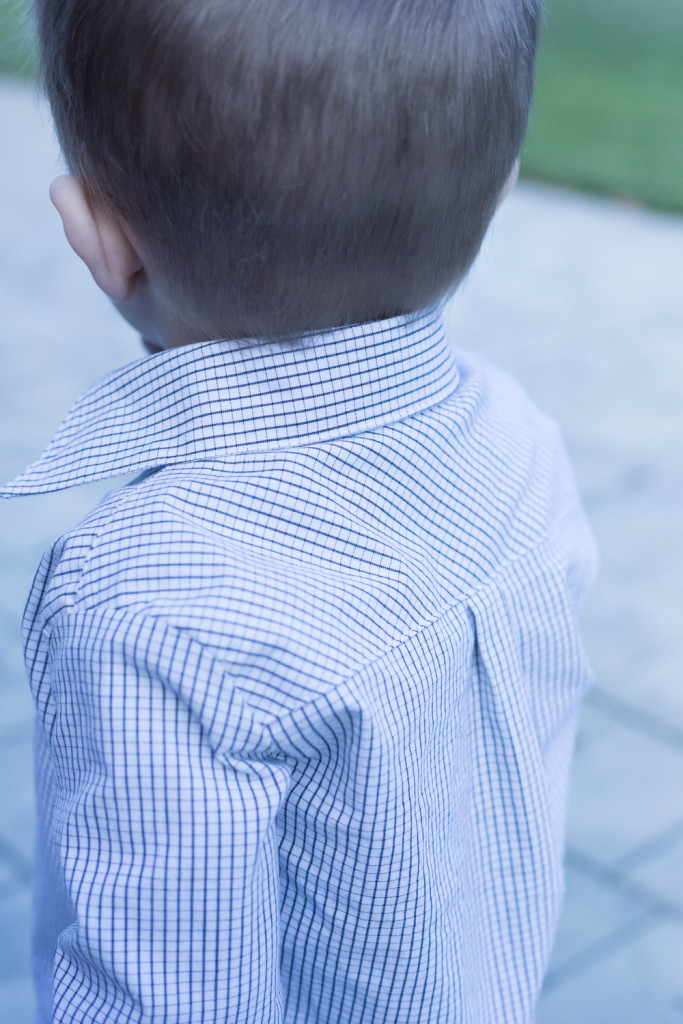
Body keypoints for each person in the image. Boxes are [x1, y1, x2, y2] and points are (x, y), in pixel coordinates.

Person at [2, 0, 598, 1020]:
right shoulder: (520, 436)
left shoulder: (146, 603)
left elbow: (161, 997)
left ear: (102, 241)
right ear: (500, 193)